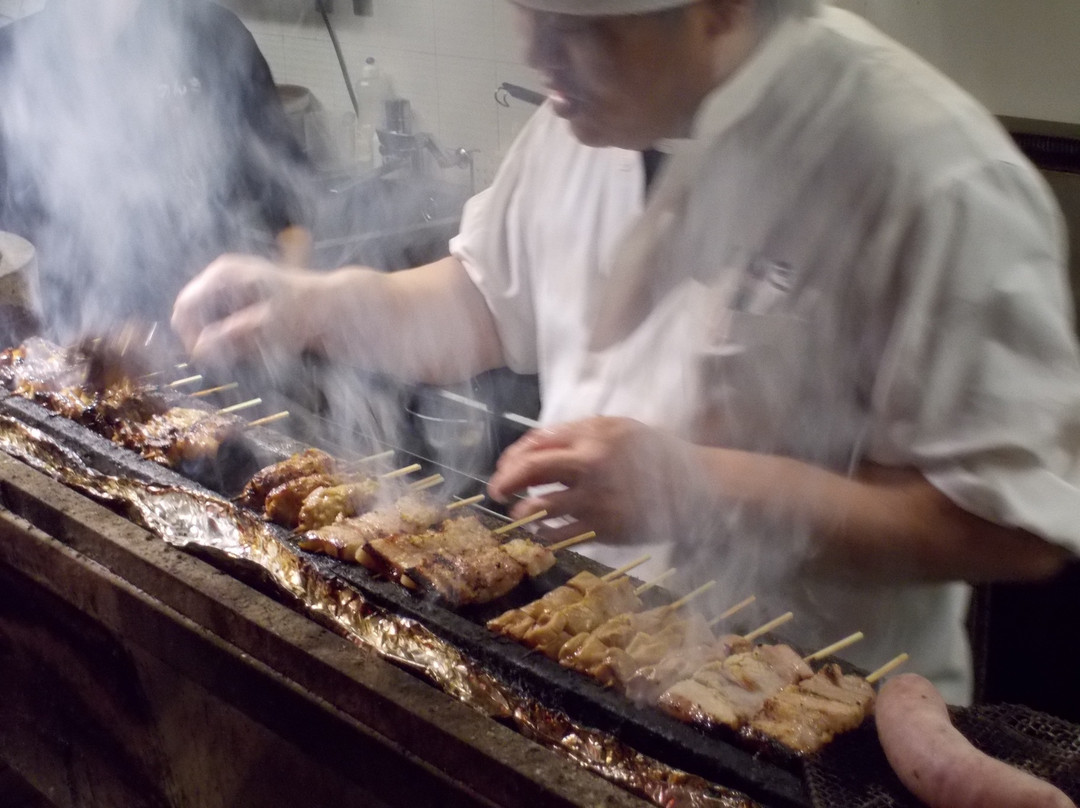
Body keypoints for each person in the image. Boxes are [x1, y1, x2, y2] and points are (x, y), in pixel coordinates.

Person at [170, 0, 1080, 705]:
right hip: (578, 661)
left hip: (806, 722)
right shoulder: (583, 118)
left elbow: (1012, 528)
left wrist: (696, 491)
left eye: (580, 24)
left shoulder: (931, 176)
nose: (535, 51)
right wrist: (314, 305)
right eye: (529, 11)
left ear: (721, 8)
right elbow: (475, 303)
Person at [0, 0, 311, 338]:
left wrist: (280, 315)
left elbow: (291, 212)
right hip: (47, 362)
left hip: (209, 354)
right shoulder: (10, 59)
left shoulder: (215, 38)